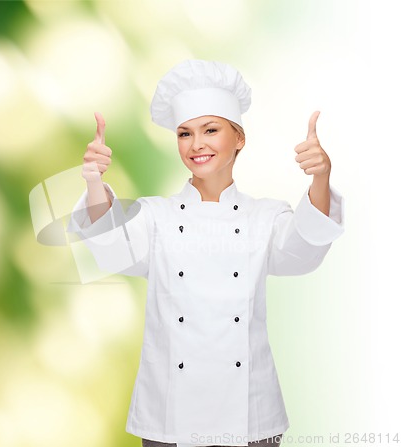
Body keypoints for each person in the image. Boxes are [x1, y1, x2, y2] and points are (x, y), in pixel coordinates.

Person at [67, 59, 344, 447]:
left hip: (249, 416)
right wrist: (95, 182)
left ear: (239, 138)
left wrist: (321, 176)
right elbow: (112, 247)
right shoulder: (156, 216)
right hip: (170, 417)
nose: (196, 144)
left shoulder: (264, 216)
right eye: (185, 134)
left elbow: (305, 248)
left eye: (210, 130)